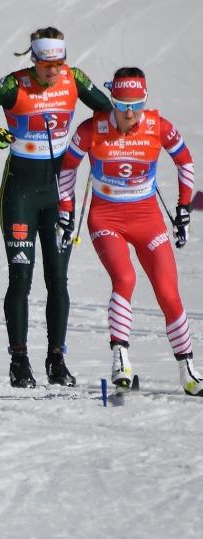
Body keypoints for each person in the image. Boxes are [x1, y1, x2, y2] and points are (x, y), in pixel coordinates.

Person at [0, 27, 112, 388]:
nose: (53, 72)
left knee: (58, 280)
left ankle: (56, 361)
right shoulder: (14, 84)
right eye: (46, 66)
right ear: (34, 60)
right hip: (20, 194)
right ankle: (19, 361)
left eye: (59, 64)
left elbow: (106, 110)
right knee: (21, 279)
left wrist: (85, 138)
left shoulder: (75, 79)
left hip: (60, 192)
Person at [56, 68, 199, 394]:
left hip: (147, 219)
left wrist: (183, 210)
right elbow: (67, 169)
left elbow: (186, 162)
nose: (130, 113)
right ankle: (120, 358)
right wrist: (66, 214)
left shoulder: (157, 126)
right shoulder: (92, 129)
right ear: (112, 102)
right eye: (122, 105)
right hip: (106, 220)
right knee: (125, 278)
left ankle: (188, 371)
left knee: (168, 292)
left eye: (136, 104)